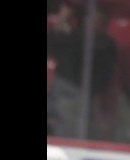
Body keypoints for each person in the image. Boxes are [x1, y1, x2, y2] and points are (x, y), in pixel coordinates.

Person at [47, 0, 118, 136]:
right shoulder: (77, 36)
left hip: (79, 96)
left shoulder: (106, 45)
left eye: (98, 21)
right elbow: (52, 43)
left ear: (105, 23)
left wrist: (65, 22)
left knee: (67, 120)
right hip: (57, 93)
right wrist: (63, 19)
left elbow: (101, 80)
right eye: (90, 19)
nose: (93, 23)